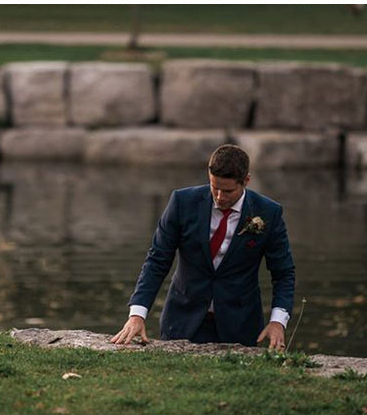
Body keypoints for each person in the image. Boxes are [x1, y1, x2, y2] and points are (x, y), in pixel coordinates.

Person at [111, 144, 294, 348]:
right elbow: (157, 260)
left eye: (228, 191)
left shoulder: (269, 212)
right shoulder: (182, 203)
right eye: (214, 187)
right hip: (182, 320)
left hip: (240, 324)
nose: (219, 197)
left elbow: (283, 272)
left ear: (246, 181)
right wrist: (138, 314)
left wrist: (278, 321)